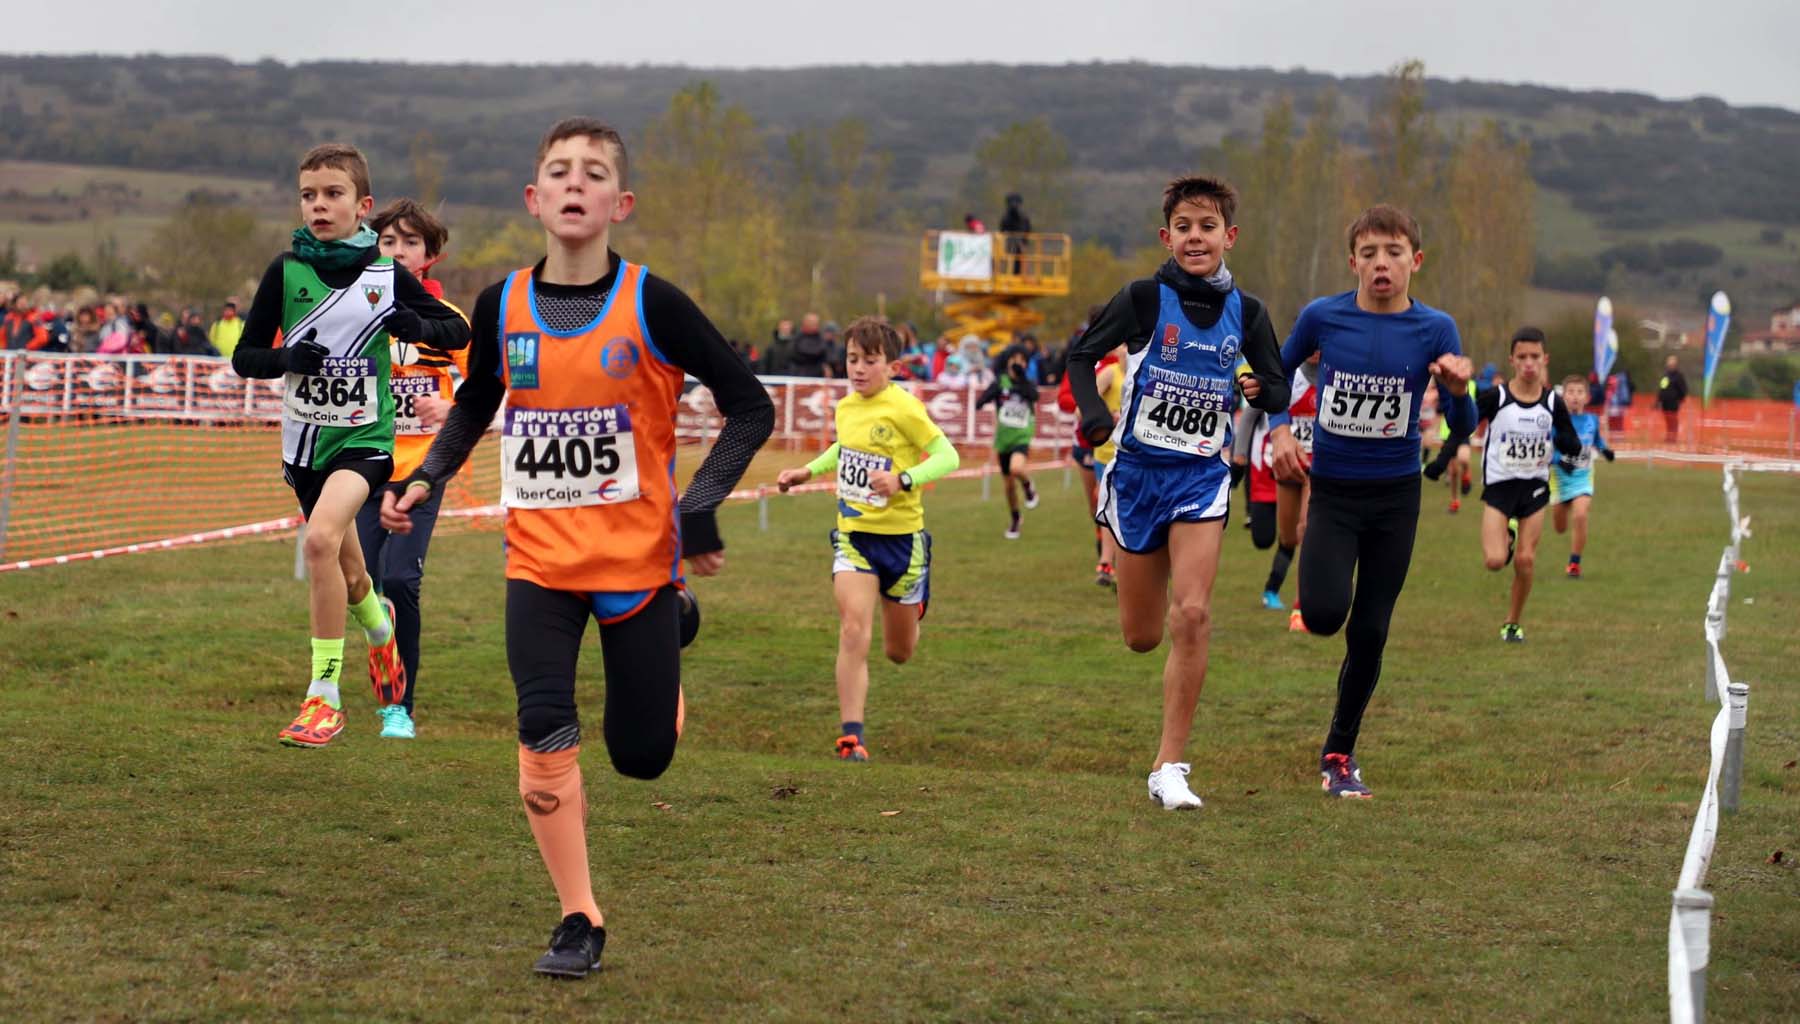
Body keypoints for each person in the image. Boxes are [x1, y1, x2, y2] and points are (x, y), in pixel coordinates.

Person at [380, 117, 773, 978]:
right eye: (558, 170)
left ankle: (672, 628)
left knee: (641, 757)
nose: (574, 182)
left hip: (638, 565)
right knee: (541, 725)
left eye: (593, 173)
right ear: (534, 197)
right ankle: (578, 916)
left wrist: (698, 507)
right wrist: (426, 475)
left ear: (618, 203)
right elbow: (478, 402)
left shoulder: (655, 304)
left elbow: (752, 408)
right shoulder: (500, 304)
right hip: (541, 561)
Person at [231, 143, 470, 749]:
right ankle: (379, 629)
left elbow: (459, 330)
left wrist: (411, 325)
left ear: (362, 206)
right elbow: (245, 356)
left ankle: (324, 696)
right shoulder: (284, 272)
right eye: (308, 195)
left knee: (318, 541)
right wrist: (286, 358)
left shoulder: (385, 276)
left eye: (333, 194)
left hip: (366, 443)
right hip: (304, 450)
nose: (319, 205)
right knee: (351, 567)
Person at [1066, 175, 1290, 811]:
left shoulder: (1248, 313)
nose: (1197, 238)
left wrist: (1258, 393)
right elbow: (1081, 357)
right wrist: (1094, 420)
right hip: (1137, 478)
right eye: (1184, 228)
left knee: (1191, 614)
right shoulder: (1143, 298)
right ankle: (1151, 626)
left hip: (1200, 477)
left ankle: (1170, 766)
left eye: (1208, 227)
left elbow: (1277, 386)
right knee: (1142, 636)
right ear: (1167, 236)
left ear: (1230, 236)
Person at [1267, 204, 1474, 800]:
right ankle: (1321, 597)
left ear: (1416, 260)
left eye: (1394, 253)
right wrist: (1280, 429)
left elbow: (1463, 423)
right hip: (1332, 492)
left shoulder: (1436, 329)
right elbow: (1274, 376)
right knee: (1327, 614)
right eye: (1370, 254)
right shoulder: (1322, 317)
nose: (1381, 264)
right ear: (1352, 260)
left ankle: (1339, 752)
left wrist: (1458, 392)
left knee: (1372, 631)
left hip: (1394, 499)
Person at [776, 317, 959, 763]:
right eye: (852, 359)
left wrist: (904, 479)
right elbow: (845, 448)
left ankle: (913, 604)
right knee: (853, 627)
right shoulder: (846, 407)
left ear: (892, 367)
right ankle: (850, 736)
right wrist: (810, 470)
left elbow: (946, 455)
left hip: (903, 540)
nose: (858, 369)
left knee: (900, 652)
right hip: (855, 534)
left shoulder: (904, 408)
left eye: (869, 361)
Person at [350, 198, 469, 739]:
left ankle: (400, 708)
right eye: (388, 242)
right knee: (367, 586)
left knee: (401, 581)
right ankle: (384, 681)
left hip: (423, 470)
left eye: (410, 243)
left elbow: (493, 386)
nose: (398, 252)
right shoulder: (353, 312)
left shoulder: (450, 323)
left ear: (431, 255)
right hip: (362, 467)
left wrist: (453, 407)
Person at [1475, 327, 1581, 642]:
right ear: (1512, 360)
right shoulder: (1497, 397)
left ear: (1545, 359)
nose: (1529, 363)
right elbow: (1464, 422)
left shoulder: (1553, 402)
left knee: (1526, 559)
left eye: (1535, 356)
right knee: (1495, 562)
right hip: (1499, 487)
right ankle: (1506, 533)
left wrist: (1567, 445)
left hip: (1534, 486)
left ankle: (1512, 622)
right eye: (1522, 357)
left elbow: (1571, 442)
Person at [1551, 374, 1615, 579]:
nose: (1575, 396)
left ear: (1587, 397)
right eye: (1571, 392)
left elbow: (1597, 440)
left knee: (1580, 514)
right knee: (1560, 528)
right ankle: (1563, 514)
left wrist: (1606, 450)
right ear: (1564, 396)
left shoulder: (1592, 420)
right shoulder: (1556, 422)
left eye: (1580, 392)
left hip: (1583, 477)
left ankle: (1574, 563)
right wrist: (1559, 460)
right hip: (1560, 480)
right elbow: (1547, 448)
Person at [975, 343, 1040, 539]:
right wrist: (985, 399)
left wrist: (1021, 381)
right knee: (1009, 486)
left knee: (1016, 468)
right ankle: (1015, 519)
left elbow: (1035, 396)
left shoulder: (1027, 384)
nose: (1018, 363)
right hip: (1003, 439)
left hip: (1022, 435)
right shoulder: (999, 383)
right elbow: (982, 401)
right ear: (1008, 361)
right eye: (1015, 359)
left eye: (1022, 360)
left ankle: (1029, 487)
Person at [787, 312, 829, 378]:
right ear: (805, 323)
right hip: (797, 376)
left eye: (817, 322)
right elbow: (793, 354)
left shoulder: (821, 339)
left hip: (817, 377)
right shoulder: (796, 338)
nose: (816, 325)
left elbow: (823, 353)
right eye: (813, 322)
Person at [1657, 354, 1687, 443]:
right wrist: (1658, 400)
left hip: (1674, 402)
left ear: (1675, 365)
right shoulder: (1665, 376)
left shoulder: (1679, 376)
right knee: (1667, 419)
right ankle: (1669, 436)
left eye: (1672, 364)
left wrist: (1681, 398)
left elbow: (1683, 389)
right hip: (1665, 402)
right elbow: (1662, 388)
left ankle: (1673, 437)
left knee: (1673, 419)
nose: (1670, 366)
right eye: (1669, 364)